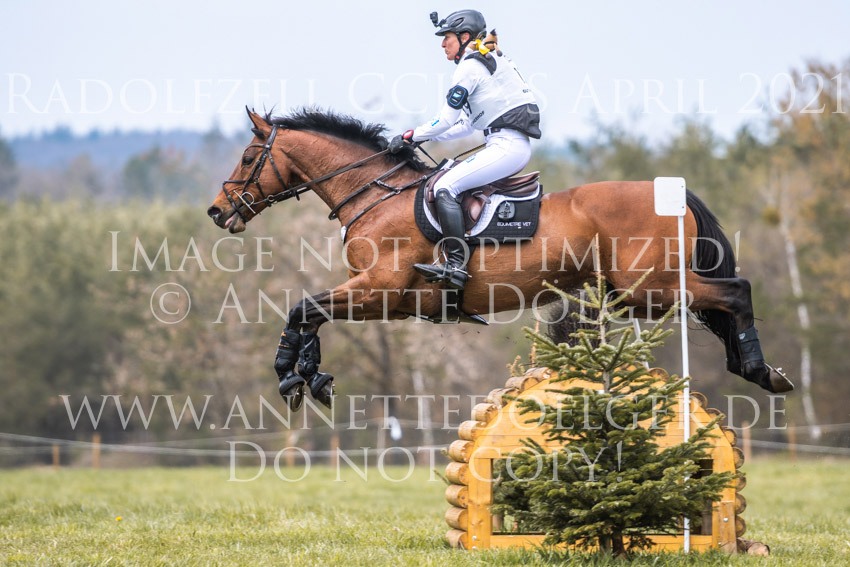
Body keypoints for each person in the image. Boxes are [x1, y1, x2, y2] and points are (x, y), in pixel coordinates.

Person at [390, 9, 541, 291]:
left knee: (445, 187)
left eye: (446, 37)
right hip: (505, 143)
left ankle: (456, 265)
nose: (442, 44)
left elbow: (446, 120)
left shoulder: (469, 67)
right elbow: (465, 126)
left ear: (465, 36)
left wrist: (412, 134)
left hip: (507, 146)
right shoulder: (483, 60)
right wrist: (418, 138)